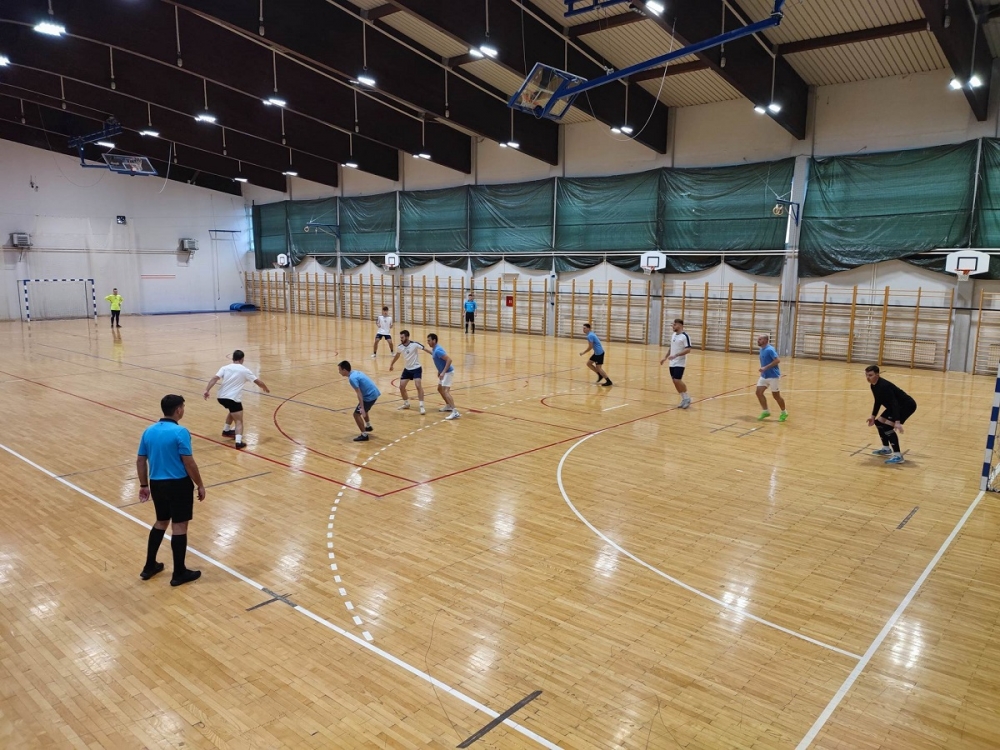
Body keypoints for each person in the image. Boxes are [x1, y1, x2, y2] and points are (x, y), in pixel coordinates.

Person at [136, 394, 205, 587]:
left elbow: (140, 460)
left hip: (157, 484)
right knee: (179, 526)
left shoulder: (148, 431)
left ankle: (149, 566)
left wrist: (143, 485)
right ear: (178, 410)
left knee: (161, 521)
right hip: (178, 484)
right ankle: (179, 573)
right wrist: (199, 484)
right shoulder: (180, 432)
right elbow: (189, 463)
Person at [203, 350, 270, 449]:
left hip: (221, 397)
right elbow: (258, 381)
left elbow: (214, 378)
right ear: (242, 359)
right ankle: (238, 442)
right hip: (233, 398)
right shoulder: (245, 370)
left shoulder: (225, 368)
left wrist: (207, 390)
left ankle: (226, 430)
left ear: (233, 358)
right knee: (239, 420)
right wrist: (265, 388)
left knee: (233, 410)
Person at [865, 365, 917, 465]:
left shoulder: (884, 386)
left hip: (906, 405)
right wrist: (873, 416)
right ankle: (886, 448)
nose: (868, 377)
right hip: (895, 407)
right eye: (866, 375)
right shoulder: (873, 385)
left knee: (887, 427)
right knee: (878, 423)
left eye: (870, 375)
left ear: (877, 375)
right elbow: (878, 401)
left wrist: (897, 421)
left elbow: (894, 403)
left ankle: (898, 456)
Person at [339, 360, 380, 441]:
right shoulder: (355, 372)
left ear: (344, 370)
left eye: (340, 370)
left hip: (369, 396)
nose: (339, 372)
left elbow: (359, 393)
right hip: (374, 393)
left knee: (356, 415)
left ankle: (364, 435)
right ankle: (368, 426)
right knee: (364, 410)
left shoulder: (352, 378)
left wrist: (362, 406)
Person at [389, 330, 426, 415]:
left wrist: (435, 355)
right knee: (401, 387)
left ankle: (421, 406)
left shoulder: (414, 344)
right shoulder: (400, 347)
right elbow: (397, 355)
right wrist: (392, 364)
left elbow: (425, 349)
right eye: (400, 337)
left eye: (402, 337)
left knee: (418, 386)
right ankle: (406, 403)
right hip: (407, 369)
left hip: (416, 368)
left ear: (407, 337)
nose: (401, 339)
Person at [427, 333, 460, 419]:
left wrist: (443, 372)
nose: (428, 342)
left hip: (448, 372)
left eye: (429, 340)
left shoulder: (438, 350)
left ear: (434, 340)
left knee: (446, 391)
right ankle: (448, 405)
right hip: (443, 372)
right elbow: (437, 359)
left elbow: (449, 360)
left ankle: (455, 412)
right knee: (439, 389)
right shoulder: (434, 349)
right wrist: (439, 371)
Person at [660, 318, 692, 408]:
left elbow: (688, 349)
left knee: (677, 380)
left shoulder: (685, 336)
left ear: (680, 325)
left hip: (680, 362)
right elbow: (671, 347)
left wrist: (676, 355)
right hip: (672, 363)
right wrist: (665, 357)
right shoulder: (673, 335)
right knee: (675, 381)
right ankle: (684, 398)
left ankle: (687, 398)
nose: (672, 326)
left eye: (674, 325)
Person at [756, 334, 787, 421]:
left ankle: (784, 412)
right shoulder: (761, 349)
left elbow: (777, 360)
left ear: (766, 340)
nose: (758, 340)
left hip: (773, 376)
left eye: (760, 339)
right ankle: (765, 411)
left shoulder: (770, 349)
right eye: (758, 339)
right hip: (764, 376)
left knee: (776, 396)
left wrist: (765, 368)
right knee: (758, 393)